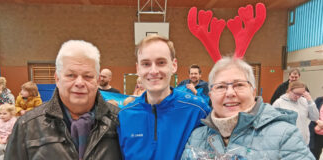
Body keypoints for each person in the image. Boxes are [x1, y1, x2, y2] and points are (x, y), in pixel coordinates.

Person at [5, 40, 121, 160]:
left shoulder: (120, 120)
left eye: (88, 76)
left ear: (97, 81)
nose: (79, 83)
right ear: (57, 79)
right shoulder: (27, 125)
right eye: (71, 75)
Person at [181, 57, 315, 159]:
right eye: (221, 87)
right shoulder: (197, 137)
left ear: (253, 91)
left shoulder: (285, 136)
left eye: (239, 85)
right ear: (210, 95)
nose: (230, 93)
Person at [117, 35, 210, 160]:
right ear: (138, 69)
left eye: (161, 62)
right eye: (146, 64)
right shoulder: (124, 116)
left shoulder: (198, 110)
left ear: (174, 65)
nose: (154, 71)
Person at [272, 81, 319, 145]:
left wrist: (310, 101)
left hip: (303, 142)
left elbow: (315, 117)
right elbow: (272, 123)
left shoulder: (304, 101)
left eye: (300, 94)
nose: (298, 97)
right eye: (296, 93)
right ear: (289, 90)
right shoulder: (279, 103)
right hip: (286, 143)